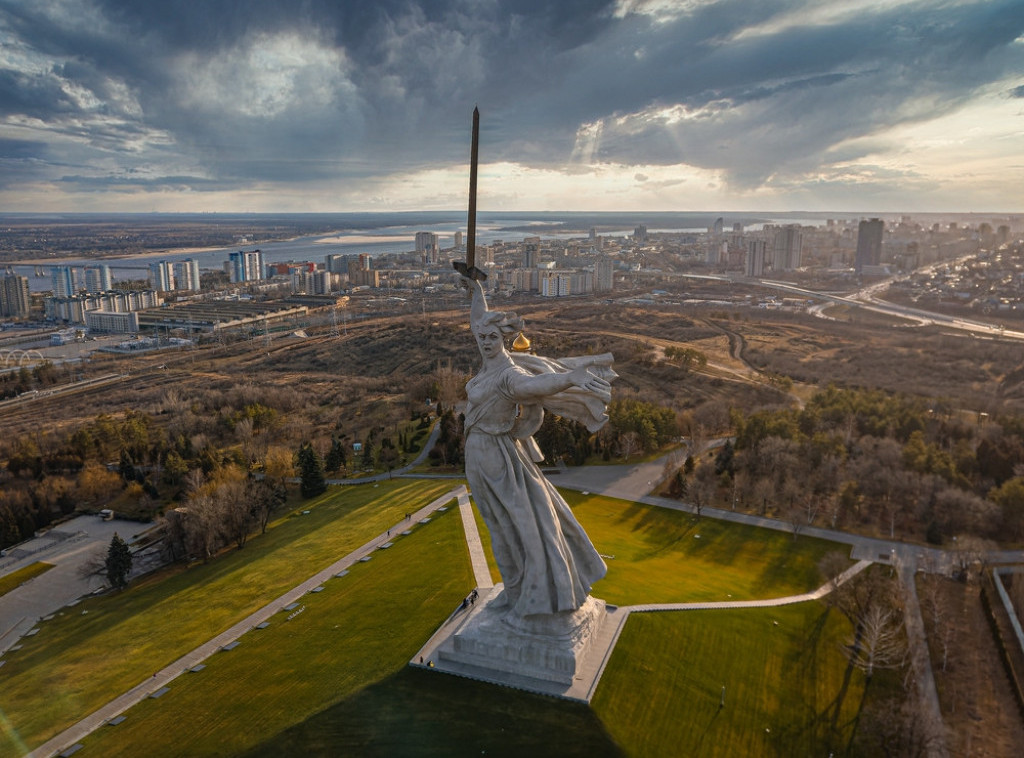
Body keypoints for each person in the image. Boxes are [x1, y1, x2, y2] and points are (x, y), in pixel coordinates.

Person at [460, 276, 614, 621]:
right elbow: (477, 319)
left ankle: (537, 595)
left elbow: (536, 385)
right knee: (497, 526)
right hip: (477, 454)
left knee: (522, 523)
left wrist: (569, 378)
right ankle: (514, 590)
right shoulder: (487, 360)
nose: (484, 342)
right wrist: (477, 292)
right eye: (482, 337)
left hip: (498, 455)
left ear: (505, 340)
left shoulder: (508, 375)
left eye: (492, 338)